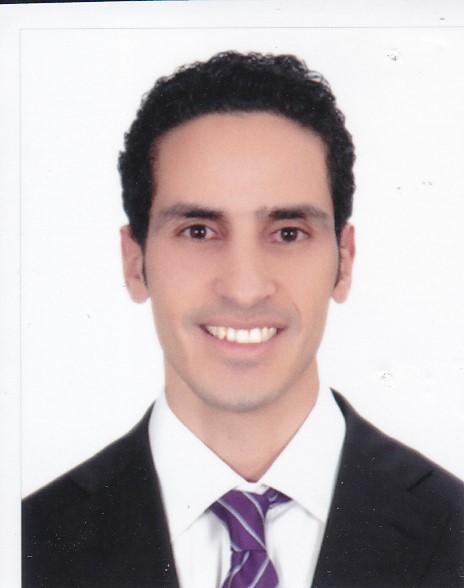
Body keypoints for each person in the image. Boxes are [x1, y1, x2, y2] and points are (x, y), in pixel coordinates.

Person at [22, 51, 463, 588]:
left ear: (344, 262)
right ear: (135, 263)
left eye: (288, 233)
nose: (245, 289)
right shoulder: (26, 543)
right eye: (199, 231)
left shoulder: (454, 529)